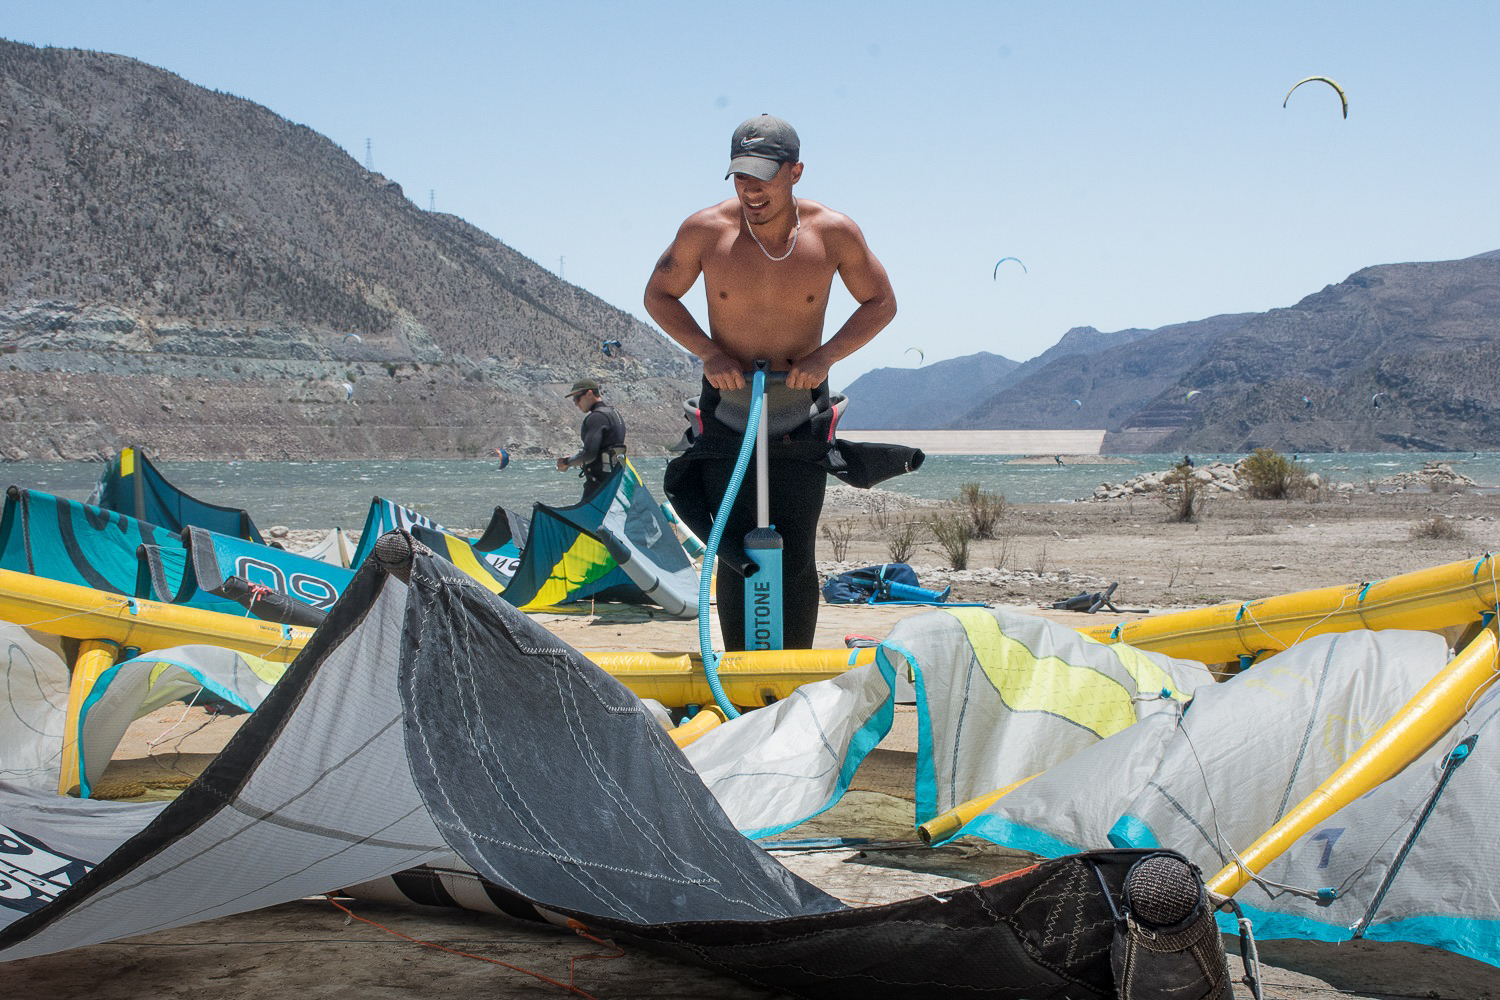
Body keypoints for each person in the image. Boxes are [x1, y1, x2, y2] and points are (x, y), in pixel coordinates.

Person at [645, 114, 896, 650]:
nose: (750, 188)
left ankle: (790, 676)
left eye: (763, 174)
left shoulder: (833, 231)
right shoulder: (706, 230)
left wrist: (827, 356)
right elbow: (658, 296)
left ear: (795, 171)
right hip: (729, 409)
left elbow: (881, 302)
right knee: (734, 549)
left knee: (797, 551)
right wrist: (709, 352)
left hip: (798, 411)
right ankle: (738, 675)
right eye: (740, 175)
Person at [556, 378, 627, 500]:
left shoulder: (596, 417)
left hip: (598, 484)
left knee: (584, 518)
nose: (576, 404)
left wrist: (566, 463)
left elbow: (588, 455)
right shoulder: (614, 413)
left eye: (577, 399)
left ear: (589, 394)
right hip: (616, 481)